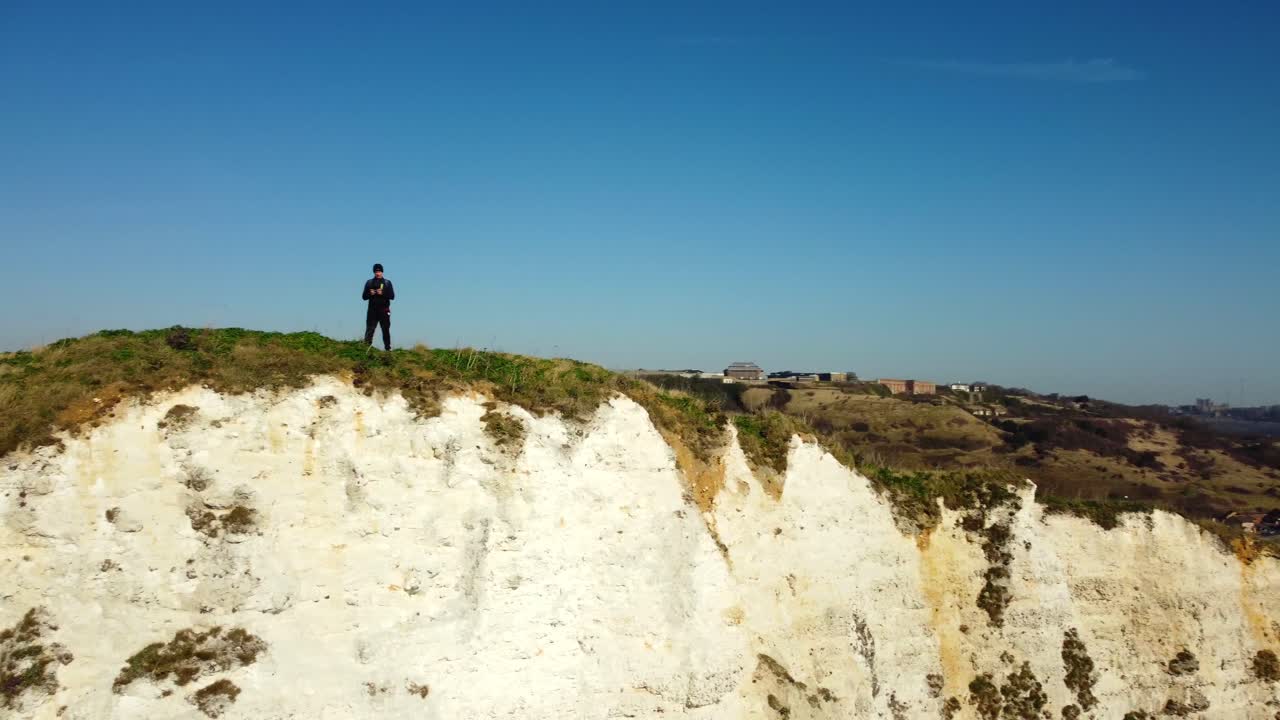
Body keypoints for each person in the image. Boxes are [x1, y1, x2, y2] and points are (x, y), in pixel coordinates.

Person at [362, 263, 395, 350]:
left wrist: (383, 293)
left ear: (382, 272)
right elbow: (364, 297)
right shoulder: (369, 282)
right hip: (372, 311)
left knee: (385, 330)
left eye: (379, 271)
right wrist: (370, 293)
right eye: (376, 271)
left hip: (384, 310)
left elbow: (392, 296)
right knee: (370, 329)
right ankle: (366, 348)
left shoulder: (387, 283)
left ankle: (387, 349)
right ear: (374, 272)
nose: (378, 273)